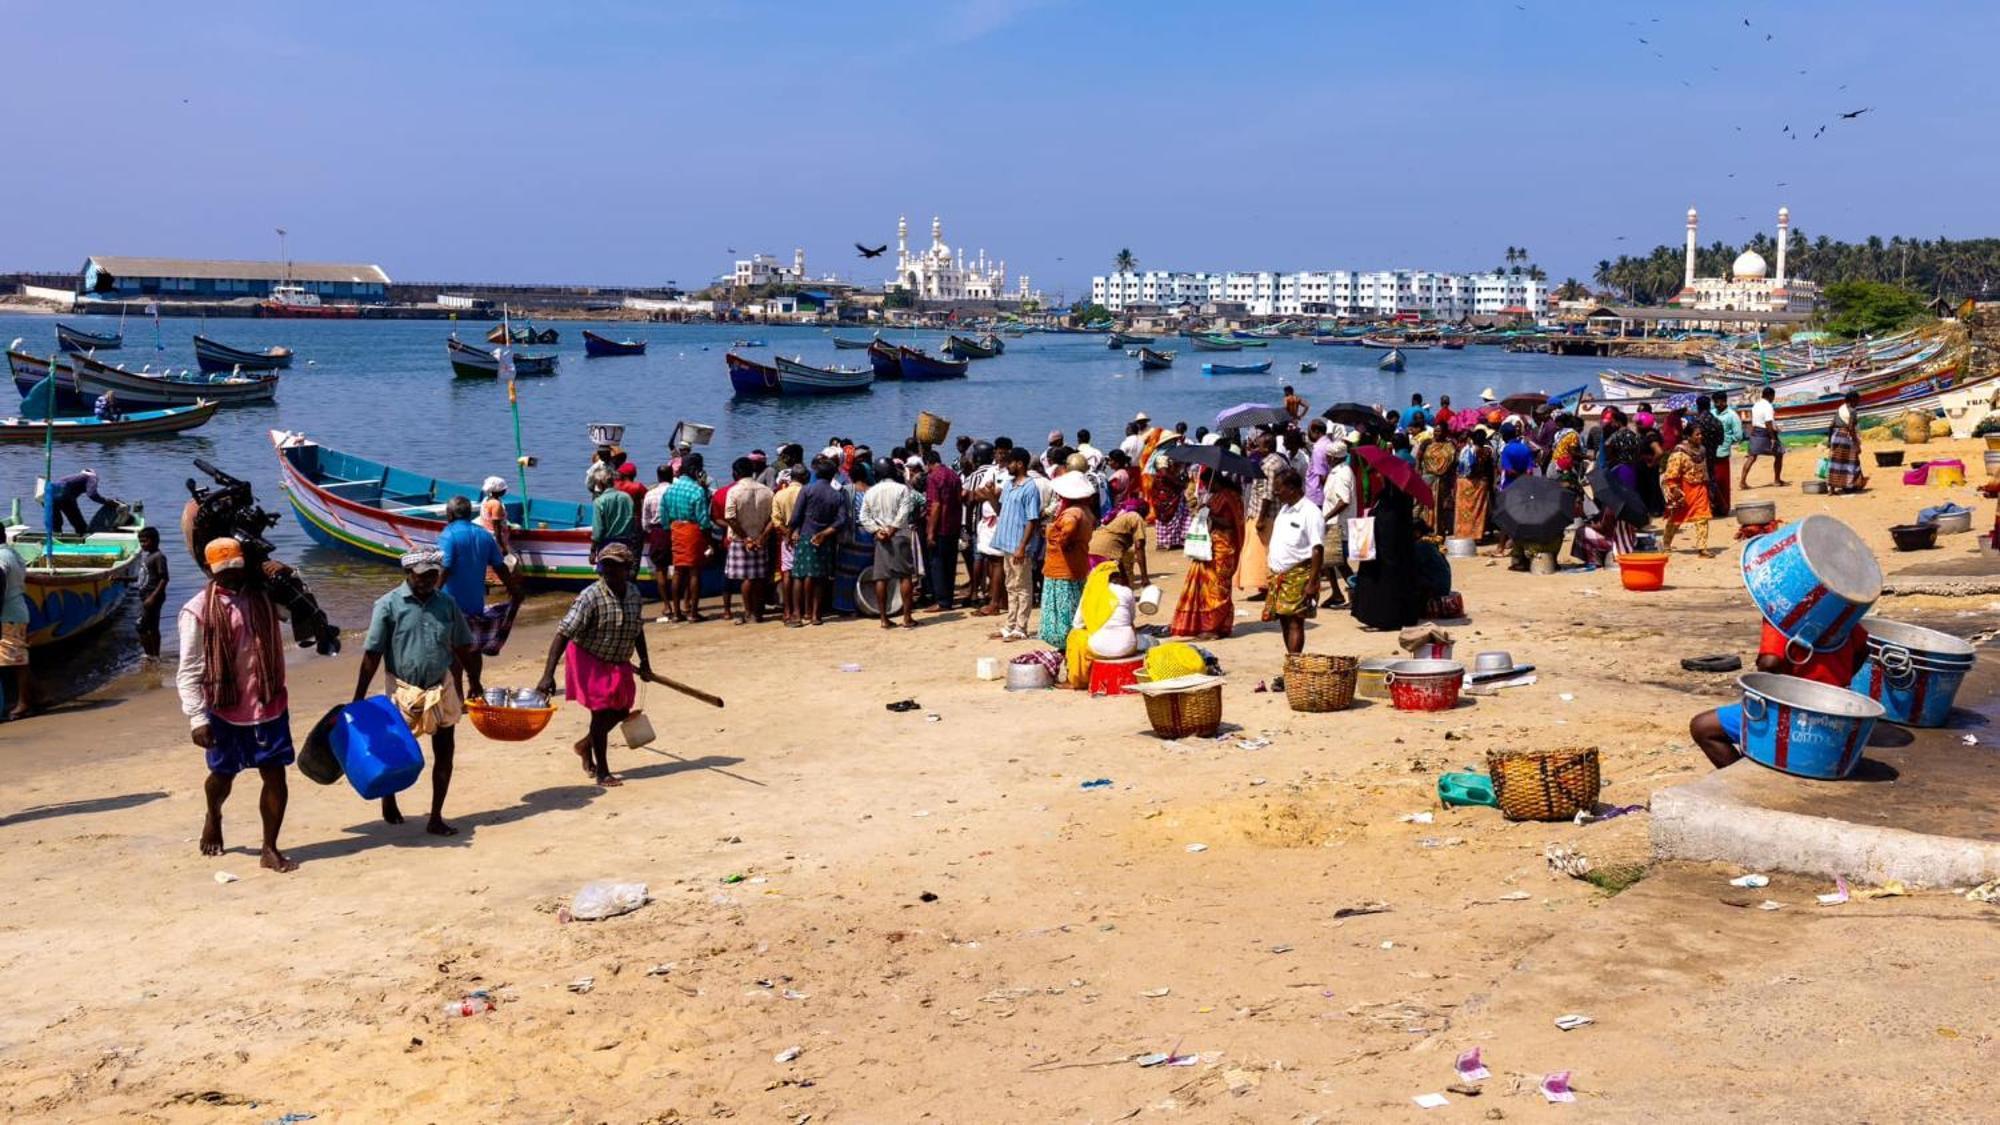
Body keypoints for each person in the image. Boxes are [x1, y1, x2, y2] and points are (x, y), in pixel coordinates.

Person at [176, 537, 297, 872]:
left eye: (236, 570)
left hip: (268, 703)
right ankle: (213, 815)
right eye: (223, 572)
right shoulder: (197, 610)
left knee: (275, 775)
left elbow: (297, 609)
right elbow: (188, 669)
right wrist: (197, 718)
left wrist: (288, 575)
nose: (232, 577)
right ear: (208, 570)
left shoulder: (264, 598)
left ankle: (269, 848)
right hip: (224, 709)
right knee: (222, 775)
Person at [354, 549, 476, 834]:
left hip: (441, 685)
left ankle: (436, 816)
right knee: (395, 751)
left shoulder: (447, 604)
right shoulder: (387, 605)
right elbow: (372, 654)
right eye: (421, 575)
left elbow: (462, 647)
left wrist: (473, 681)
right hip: (402, 689)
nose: (427, 580)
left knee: (445, 752)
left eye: (432, 575)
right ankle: (389, 797)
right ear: (408, 574)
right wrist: (358, 697)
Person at [534, 543, 653, 787]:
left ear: (627, 569)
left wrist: (645, 662)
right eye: (605, 565)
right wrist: (548, 674)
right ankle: (602, 772)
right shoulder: (590, 596)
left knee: (621, 709)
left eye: (614, 566)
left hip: (619, 658)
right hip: (589, 658)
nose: (607, 570)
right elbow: (563, 633)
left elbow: (637, 630)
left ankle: (585, 745)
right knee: (600, 714)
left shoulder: (633, 594)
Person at [1689, 621, 1870, 768]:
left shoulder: (1784, 616)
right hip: (1834, 710)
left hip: (1794, 718)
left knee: (1703, 727)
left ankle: (1746, 783)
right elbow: (1864, 650)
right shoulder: (1843, 616)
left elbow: (1770, 663)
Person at [438, 494, 524, 692]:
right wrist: (514, 590)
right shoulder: (484, 535)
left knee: (454, 650)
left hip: (451, 605)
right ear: (470, 514)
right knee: (473, 648)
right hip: (475, 603)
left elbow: (446, 568)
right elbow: (500, 567)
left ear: (449, 515)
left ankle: (459, 694)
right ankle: (474, 688)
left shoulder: (448, 535)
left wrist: (431, 595)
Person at [1170, 469, 1244, 640]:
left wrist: (1209, 514)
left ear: (1215, 481)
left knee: (1217, 587)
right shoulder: (1220, 496)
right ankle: (1211, 625)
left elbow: (1228, 523)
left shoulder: (1228, 498)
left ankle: (1213, 628)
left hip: (1223, 547)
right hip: (1213, 545)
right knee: (1208, 585)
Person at [1350, 471, 1426, 631]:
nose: (1378, 476)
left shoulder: (1392, 502)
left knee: (1386, 584)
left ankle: (1385, 620)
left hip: (1387, 553)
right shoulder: (1393, 498)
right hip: (1390, 551)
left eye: (1382, 475)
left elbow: (1389, 527)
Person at [1263, 467, 1324, 655]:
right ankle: (1292, 663)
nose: (1275, 492)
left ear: (1292, 488)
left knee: (1295, 622)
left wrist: (1313, 582)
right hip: (1279, 575)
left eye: (1279, 488)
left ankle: (1294, 665)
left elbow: (1317, 549)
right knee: (1283, 619)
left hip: (1299, 575)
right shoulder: (1284, 509)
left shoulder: (1310, 512)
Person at [787, 458, 849, 627]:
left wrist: (789, 534)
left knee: (799, 575)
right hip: (825, 540)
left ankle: (797, 614)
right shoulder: (837, 495)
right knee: (820, 577)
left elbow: (795, 517)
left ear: (816, 473)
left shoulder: (807, 490)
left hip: (806, 536)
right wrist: (825, 533)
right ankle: (815, 615)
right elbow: (841, 520)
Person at [860, 457, 920, 629]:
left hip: (881, 538)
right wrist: (893, 529)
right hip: (899, 535)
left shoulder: (870, 492)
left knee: (881, 577)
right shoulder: (902, 489)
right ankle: (907, 617)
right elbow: (904, 511)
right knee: (905, 576)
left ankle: (884, 619)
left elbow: (863, 516)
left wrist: (876, 530)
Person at [990, 448, 1042, 641]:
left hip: (1019, 544)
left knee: (1023, 587)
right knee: (1010, 585)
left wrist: (1022, 546)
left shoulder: (1030, 487)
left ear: (1020, 464)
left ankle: (1021, 627)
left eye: (1011, 462)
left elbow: (1032, 519)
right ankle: (1009, 625)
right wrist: (990, 497)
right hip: (1006, 543)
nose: (1007, 466)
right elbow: (1001, 510)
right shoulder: (1009, 485)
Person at [1040, 472, 1098, 646]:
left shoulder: (1071, 514)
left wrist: (1055, 535)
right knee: (1075, 606)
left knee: (1062, 610)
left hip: (1063, 570)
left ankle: (1066, 644)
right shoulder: (1085, 511)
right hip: (1076, 566)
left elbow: (1065, 534)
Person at [660, 452, 714, 622]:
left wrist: (672, 529)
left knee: (678, 570)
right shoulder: (697, 490)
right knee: (694, 572)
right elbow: (704, 520)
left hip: (676, 529)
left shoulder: (670, 489)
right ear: (695, 469)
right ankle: (693, 612)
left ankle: (676, 613)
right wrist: (710, 541)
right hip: (693, 530)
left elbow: (664, 518)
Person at [722, 456, 775, 625]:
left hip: (741, 539)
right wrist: (761, 537)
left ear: (736, 473)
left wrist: (745, 538)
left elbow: (730, 518)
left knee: (747, 578)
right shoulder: (767, 491)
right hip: (760, 538)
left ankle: (749, 612)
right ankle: (757, 612)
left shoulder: (734, 491)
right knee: (758, 577)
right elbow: (773, 518)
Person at [1660, 433, 1716, 557]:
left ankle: (1702, 548)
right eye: (1697, 434)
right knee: (1676, 519)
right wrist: (1674, 489)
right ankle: (1666, 543)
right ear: (1688, 437)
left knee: (1702, 517)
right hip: (1684, 490)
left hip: (1700, 488)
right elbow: (1671, 474)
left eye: (1701, 434)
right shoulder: (1679, 453)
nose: (1700, 436)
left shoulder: (1701, 451)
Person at [922, 449, 962, 611]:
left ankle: (942, 601)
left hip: (940, 526)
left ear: (928, 463)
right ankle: (948, 598)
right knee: (950, 564)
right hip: (953, 524)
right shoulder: (953, 475)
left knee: (937, 564)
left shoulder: (933, 477)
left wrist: (930, 532)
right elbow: (959, 498)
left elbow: (936, 505)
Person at [1319, 440, 1354, 609]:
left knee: (1338, 562)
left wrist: (1326, 517)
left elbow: (1344, 500)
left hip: (1336, 524)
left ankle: (1356, 590)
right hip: (1332, 523)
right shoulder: (1336, 472)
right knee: (1329, 561)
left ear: (1333, 457)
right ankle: (1336, 593)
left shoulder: (1342, 474)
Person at [0, 541, 33, 720]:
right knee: (17, 658)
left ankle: (24, 702)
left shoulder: (1, 558)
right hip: (16, 611)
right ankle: (35, 694)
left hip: (8, 615)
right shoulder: (11, 554)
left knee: (18, 661)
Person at [771, 465, 807, 626]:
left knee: (787, 573)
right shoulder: (807, 493)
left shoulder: (780, 495)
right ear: (805, 477)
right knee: (803, 574)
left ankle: (787, 611)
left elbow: (776, 520)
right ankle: (803, 610)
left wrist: (787, 534)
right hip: (804, 537)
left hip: (787, 540)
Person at [642, 464, 676, 612]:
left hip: (657, 533)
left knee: (660, 570)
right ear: (672, 476)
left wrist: (651, 531)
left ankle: (667, 606)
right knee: (678, 569)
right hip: (676, 530)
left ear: (658, 477)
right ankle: (678, 605)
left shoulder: (650, 494)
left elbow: (645, 521)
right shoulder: (676, 491)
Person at [133, 525, 169, 660]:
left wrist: (153, 597)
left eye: (145, 541)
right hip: (146, 597)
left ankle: (150, 655)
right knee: (151, 627)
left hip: (152, 598)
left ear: (155, 540)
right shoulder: (148, 557)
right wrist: (122, 578)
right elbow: (144, 577)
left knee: (141, 626)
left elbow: (164, 578)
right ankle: (154, 656)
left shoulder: (159, 557)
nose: (142, 544)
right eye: (140, 541)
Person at [1740, 386, 1786, 489]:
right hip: (1765, 433)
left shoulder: (1756, 405)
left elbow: (1755, 420)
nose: (1773, 398)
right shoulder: (1768, 406)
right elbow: (1768, 422)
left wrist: (1751, 434)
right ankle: (1777, 480)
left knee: (1751, 457)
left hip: (1756, 432)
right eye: (1773, 396)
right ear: (1770, 396)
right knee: (1779, 454)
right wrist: (1773, 438)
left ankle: (1742, 482)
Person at [1454, 429, 1494, 543]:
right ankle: (1475, 535)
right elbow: (1483, 468)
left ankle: (1462, 533)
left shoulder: (1465, 450)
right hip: (1477, 483)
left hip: (1463, 482)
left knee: (1463, 509)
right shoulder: (1482, 451)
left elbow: (1459, 466)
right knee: (1477, 510)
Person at [50, 469, 116, 536]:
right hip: (64, 494)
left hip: (48, 495)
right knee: (78, 522)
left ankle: (56, 538)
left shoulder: (72, 478)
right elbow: (92, 494)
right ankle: (83, 537)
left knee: (56, 522)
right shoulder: (91, 477)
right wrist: (106, 501)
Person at [1825, 391, 1867, 494]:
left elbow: (1831, 425)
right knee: (1852, 461)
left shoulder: (1840, 409)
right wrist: (1857, 444)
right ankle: (1850, 484)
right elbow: (1851, 428)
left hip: (1835, 436)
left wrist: (1829, 441)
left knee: (1835, 462)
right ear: (1853, 400)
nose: (1858, 402)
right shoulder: (1852, 411)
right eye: (1857, 400)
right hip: (1845, 437)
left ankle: (1832, 489)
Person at [589, 476, 636, 563]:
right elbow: (633, 521)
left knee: (606, 573)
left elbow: (598, 530)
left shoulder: (599, 501)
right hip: (626, 542)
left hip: (606, 544)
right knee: (625, 571)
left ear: (600, 485)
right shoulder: (627, 497)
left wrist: (593, 551)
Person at [1710, 391, 1740, 514]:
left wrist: (1727, 441)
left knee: (1722, 482)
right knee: (1712, 482)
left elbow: (1738, 435)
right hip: (1710, 453)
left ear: (1724, 401)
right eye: (1715, 402)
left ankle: (1724, 508)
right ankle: (1713, 507)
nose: (1717, 404)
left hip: (1722, 453)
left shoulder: (1732, 416)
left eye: (1718, 402)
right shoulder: (1711, 413)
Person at [476, 476, 514, 559]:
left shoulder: (486, 499)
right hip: (494, 538)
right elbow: (496, 527)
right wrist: (502, 546)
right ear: (498, 491)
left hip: (487, 534)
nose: (505, 490)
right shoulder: (496, 504)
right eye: (503, 489)